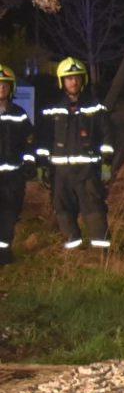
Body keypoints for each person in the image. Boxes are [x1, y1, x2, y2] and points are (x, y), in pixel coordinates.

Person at [37, 57, 113, 251]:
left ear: (83, 79)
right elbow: (43, 140)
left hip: (87, 171)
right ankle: (74, 253)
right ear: (62, 81)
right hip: (60, 172)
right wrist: (41, 165)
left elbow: (107, 136)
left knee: (94, 210)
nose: (74, 82)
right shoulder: (51, 109)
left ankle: (101, 253)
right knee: (63, 211)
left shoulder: (95, 107)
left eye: (77, 78)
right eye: (69, 78)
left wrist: (106, 163)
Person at [0, 65, 34, 267]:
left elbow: (29, 142)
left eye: (5, 85)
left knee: (9, 217)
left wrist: (29, 164)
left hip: (13, 178)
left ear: (11, 88)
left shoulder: (20, 114)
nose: (1, 89)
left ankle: (4, 256)